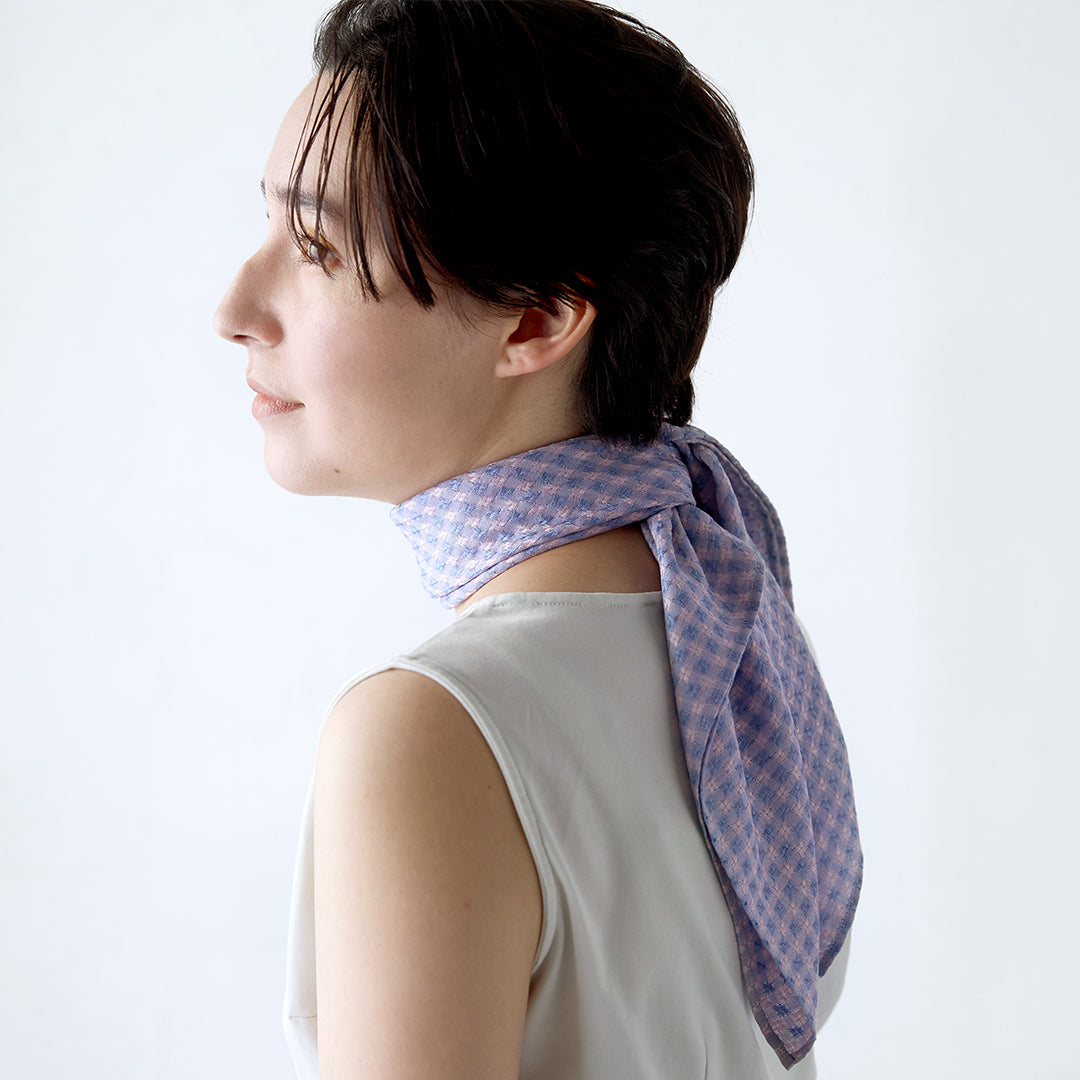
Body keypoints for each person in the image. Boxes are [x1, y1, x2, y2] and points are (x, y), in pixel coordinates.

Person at [213, 1, 862, 1077]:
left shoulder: (430, 731)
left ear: (536, 321)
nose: (236, 305)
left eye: (318, 245)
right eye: (271, 229)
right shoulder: (731, 643)